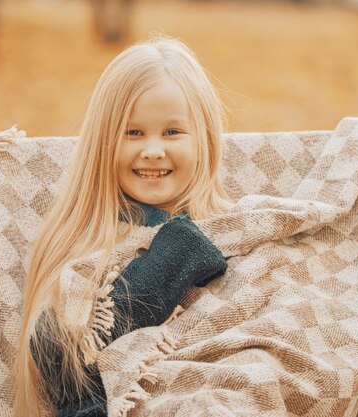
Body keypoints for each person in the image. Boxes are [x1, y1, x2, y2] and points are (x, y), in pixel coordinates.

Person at [12, 34, 235, 417]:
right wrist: (177, 253)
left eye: (171, 132)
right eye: (133, 132)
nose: (152, 149)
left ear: (205, 141)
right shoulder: (80, 240)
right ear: (103, 143)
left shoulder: (235, 228)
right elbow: (63, 362)